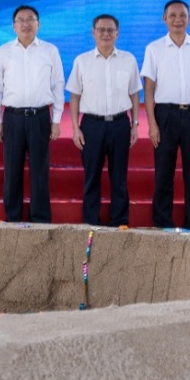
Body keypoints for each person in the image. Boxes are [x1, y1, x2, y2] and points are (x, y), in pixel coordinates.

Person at [141, 0, 190, 231]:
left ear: (189, 18)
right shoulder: (154, 48)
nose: (178, 20)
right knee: (164, 172)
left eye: (182, 15)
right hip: (165, 115)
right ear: (164, 19)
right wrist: (152, 124)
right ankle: (162, 222)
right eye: (172, 16)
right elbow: (149, 88)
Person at [0, 5, 64, 223]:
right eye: (20, 20)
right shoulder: (4, 51)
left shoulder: (50, 50)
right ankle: (13, 217)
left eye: (30, 19)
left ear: (38, 24)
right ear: (14, 26)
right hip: (12, 117)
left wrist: (56, 120)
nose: (25, 24)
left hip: (40, 116)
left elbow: (58, 85)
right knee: (12, 170)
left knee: (40, 170)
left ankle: (40, 218)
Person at [66, 14, 141, 227]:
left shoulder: (128, 59)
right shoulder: (82, 61)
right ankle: (91, 222)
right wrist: (75, 128)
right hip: (92, 125)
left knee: (119, 177)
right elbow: (74, 96)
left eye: (110, 30)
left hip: (120, 124)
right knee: (92, 177)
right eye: (101, 30)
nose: (105, 34)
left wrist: (135, 125)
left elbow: (134, 94)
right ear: (93, 33)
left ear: (117, 33)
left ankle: (120, 221)